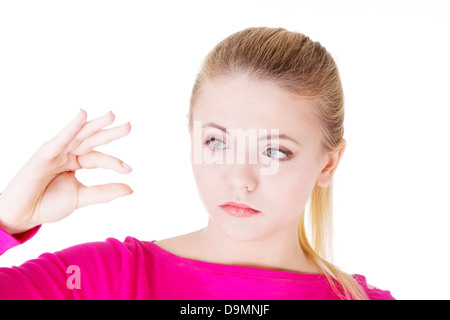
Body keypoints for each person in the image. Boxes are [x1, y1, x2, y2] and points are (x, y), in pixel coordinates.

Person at [0, 27, 394, 300]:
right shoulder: (107, 278)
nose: (239, 179)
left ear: (329, 163)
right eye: (217, 142)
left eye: (275, 151)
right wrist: (7, 221)